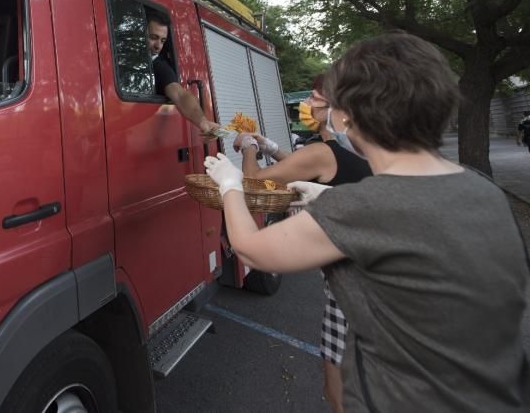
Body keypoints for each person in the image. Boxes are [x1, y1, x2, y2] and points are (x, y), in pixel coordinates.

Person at [203, 33, 529, 412]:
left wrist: (229, 184)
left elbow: (250, 250)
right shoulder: (483, 189)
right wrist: (327, 197)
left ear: (346, 115)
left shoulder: (360, 206)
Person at [233, 75, 371, 413]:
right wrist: (271, 148)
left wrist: (248, 146)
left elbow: (253, 182)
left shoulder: (323, 151)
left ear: (337, 108)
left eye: (314, 97)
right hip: (366, 271)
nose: (306, 103)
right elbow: (307, 168)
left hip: (350, 283)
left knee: (339, 389)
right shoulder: (354, 146)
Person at [146, 12, 220, 136]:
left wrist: (202, 121)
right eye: (153, 37)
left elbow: (180, 95)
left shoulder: (160, 67)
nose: (158, 46)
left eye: (163, 40)